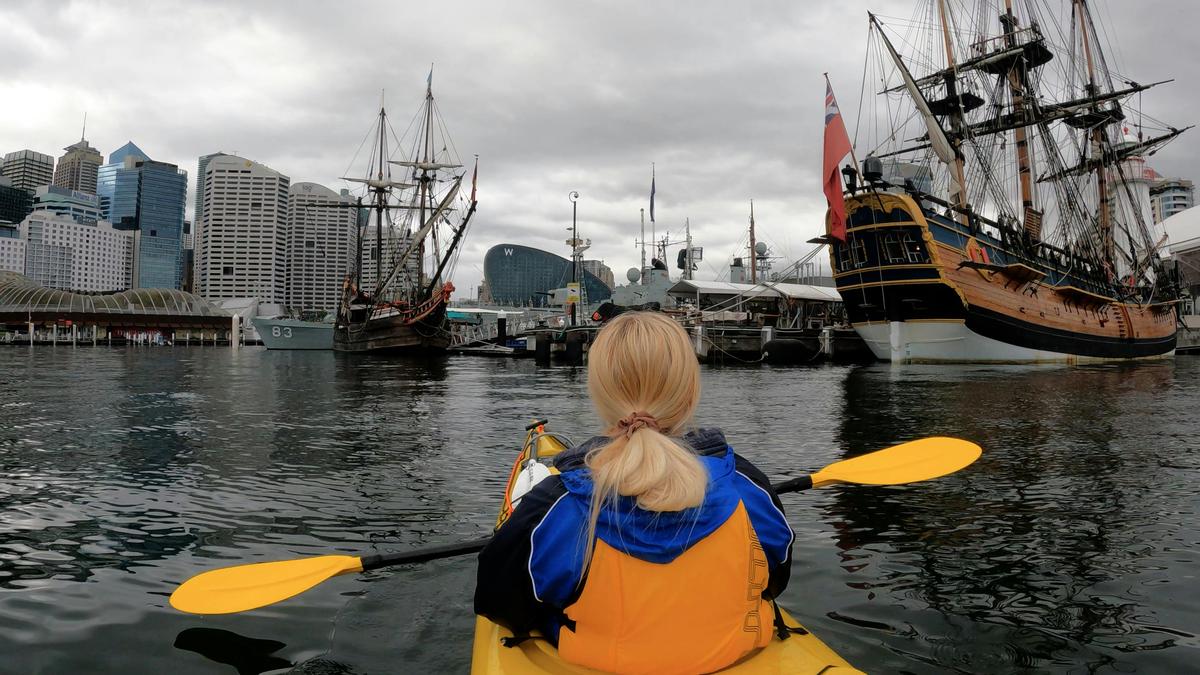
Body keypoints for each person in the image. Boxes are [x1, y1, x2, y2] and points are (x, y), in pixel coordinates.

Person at [474, 312, 794, 674]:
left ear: (599, 396)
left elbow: (499, 603)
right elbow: (776, 578)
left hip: (597, 661)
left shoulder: (558, 504)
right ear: (689, 395)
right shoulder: (746, 485)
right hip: (735, 654)